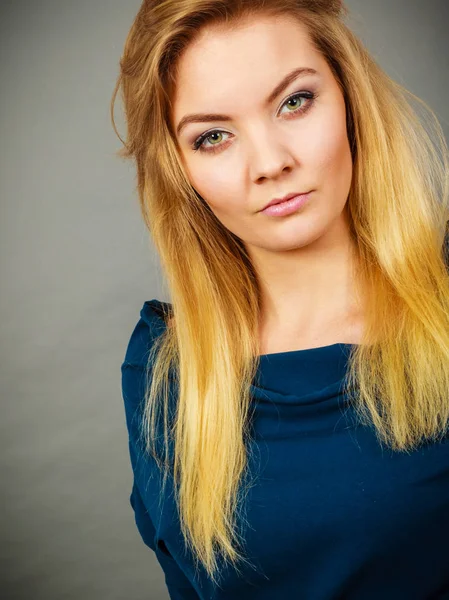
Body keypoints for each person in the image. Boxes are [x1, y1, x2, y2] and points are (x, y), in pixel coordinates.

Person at [113, 1, 449, 598]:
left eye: (294, 101)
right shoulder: (165, 374)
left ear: (348, 96)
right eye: (213, 137)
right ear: (178, 169)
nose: (270, 163)